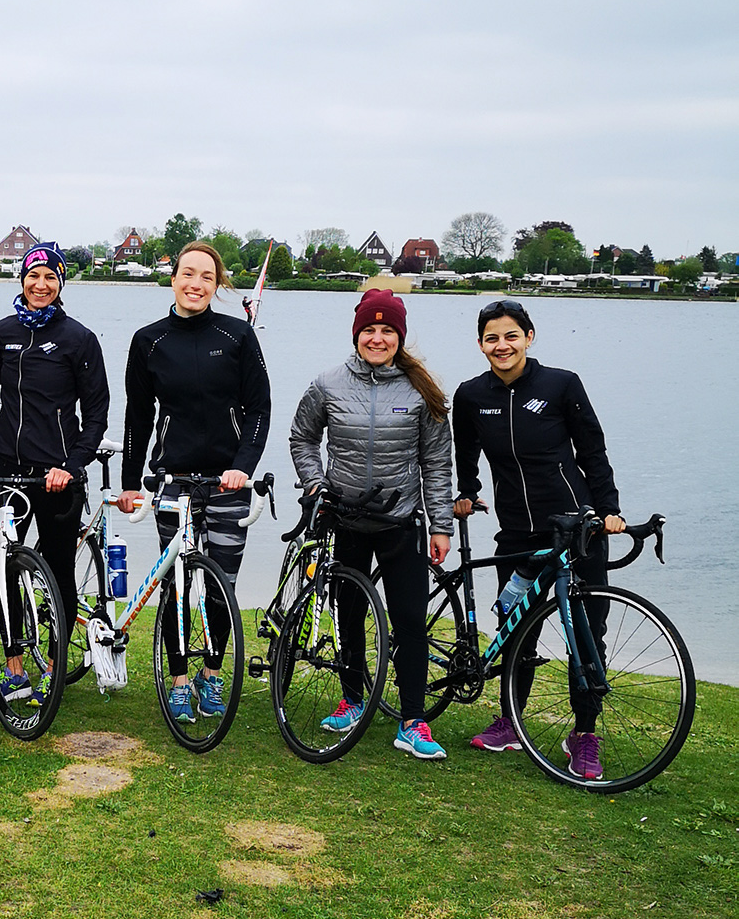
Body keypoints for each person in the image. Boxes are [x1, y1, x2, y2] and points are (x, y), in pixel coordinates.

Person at [452, 298, 623, 780]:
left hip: (577, 529)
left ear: (529, 336)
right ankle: (510, 719)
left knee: (586, 633)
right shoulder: (470, 395)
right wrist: (467, 492)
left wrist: (609, 509)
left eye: (511, 335)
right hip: (518, 534)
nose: (501, 345)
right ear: (480, 343)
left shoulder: (561, 385)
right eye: (491, 338)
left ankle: (584, 735)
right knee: (516, 625)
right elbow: (465, 451)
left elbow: (592, 448)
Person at [290, 288, 454, 759]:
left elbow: (437, 463)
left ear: (399, 337)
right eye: (369, 330)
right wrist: (315, 485)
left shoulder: (422, 390)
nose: (377, 338)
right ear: (356, 334)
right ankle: (353, 700)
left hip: (400, 520)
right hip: (346, 516)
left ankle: (413, 721)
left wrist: (440, 525)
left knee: (408, 621)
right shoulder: (327, 384)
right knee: (351, 614)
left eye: (387, 331)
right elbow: (302, 437)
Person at [118, 241, 270, 723]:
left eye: (207, 276)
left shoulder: (239, 335)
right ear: (173, 278)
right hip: (173, 483)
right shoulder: (150, 340)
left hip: (228, 482)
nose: (195, 284)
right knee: (179, 586)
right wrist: (129, 482)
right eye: (188, 273)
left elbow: (259, 411)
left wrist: (243, 466)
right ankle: (179, 680)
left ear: (218, 284)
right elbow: (137, 420)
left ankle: (212, 672)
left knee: (222, 585)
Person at [0, 242, 110, 704]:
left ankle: (57, 666)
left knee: (59, 570)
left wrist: (73, 464)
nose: (40, 285)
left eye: (49, 277)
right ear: (21, 280)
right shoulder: (2, 332)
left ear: (60, 283)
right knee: (3, 566)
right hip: (7, 465)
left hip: (57, 474)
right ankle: (12, 667)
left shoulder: (78, 338)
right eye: (32, 276)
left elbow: (98, 412)